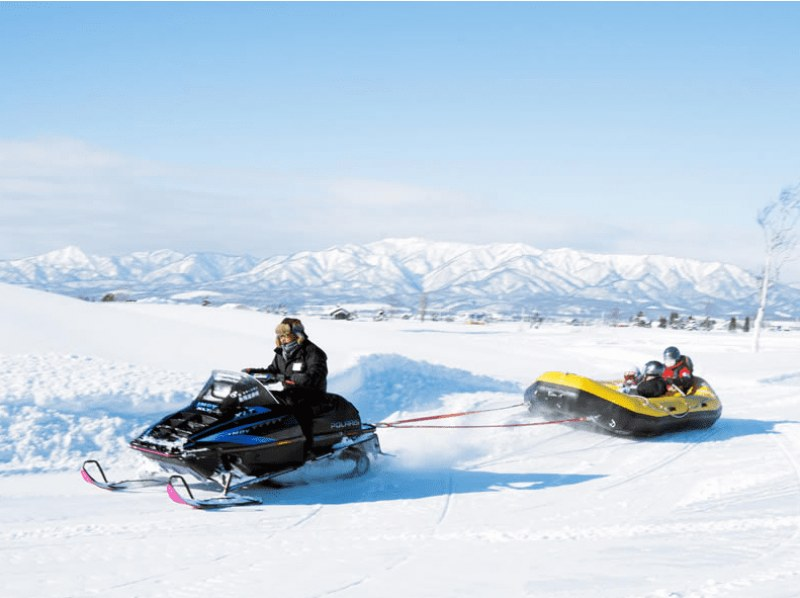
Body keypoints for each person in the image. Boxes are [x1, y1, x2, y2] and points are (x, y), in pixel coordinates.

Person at [243, 317, 328, 455]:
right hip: (290, 393)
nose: (282, 339)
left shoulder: (313, 352)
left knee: (297, 407)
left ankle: (305, 450)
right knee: (264, 400)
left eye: (286, 335)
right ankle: (260, 442)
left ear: (297, 335)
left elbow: (316, 376)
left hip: (312, 396)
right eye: (280, 336)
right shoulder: (282, 354)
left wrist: (291, 378)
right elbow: (273, 371)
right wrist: (254, 373)